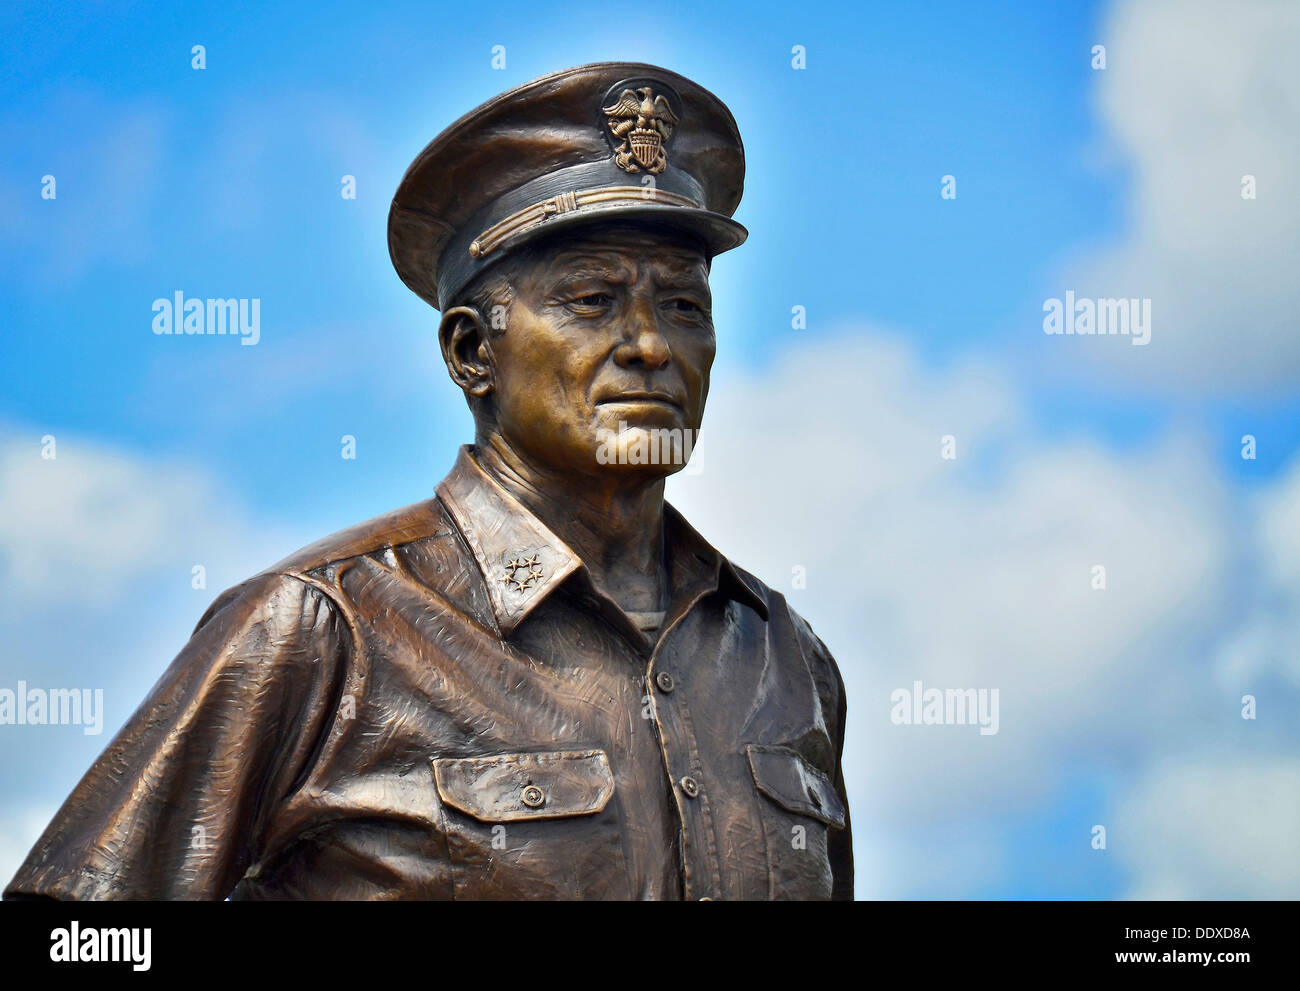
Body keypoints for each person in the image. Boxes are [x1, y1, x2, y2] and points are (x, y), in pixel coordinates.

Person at [5, 61, 851, 900]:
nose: (651, 346)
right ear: (471, 352)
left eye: (684, 308)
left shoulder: (786, 659)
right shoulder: (323, 625)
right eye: (593, 300)